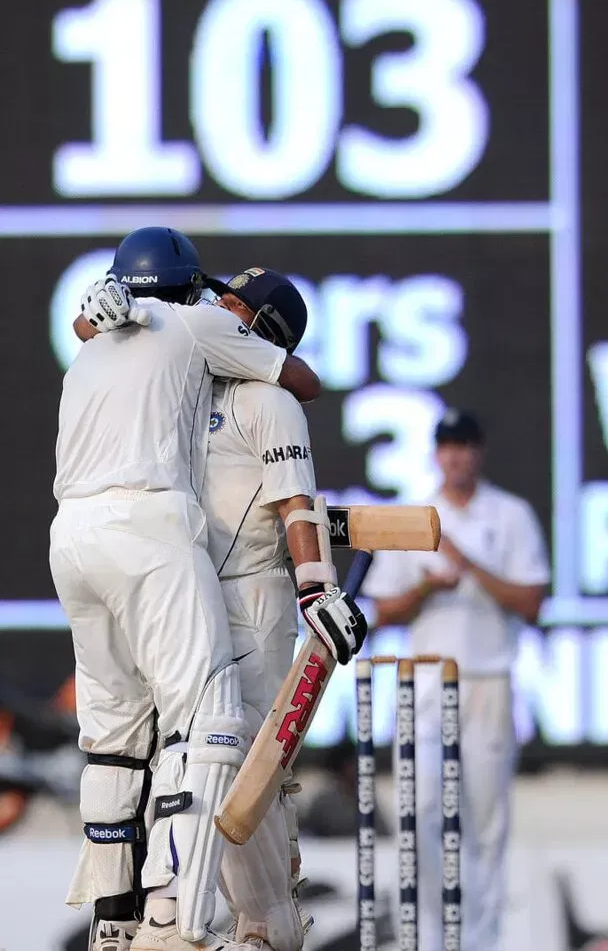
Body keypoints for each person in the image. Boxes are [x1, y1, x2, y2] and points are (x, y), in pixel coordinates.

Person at [50, 226, 321, 951]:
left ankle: (115, 923)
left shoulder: (97, 343)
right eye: (213, 292)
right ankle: (175, 919)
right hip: (152, 537)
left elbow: (89, 322)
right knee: (208, 721)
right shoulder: (195, 327)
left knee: (114, 738)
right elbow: (303, 377)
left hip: (72, 541)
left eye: (235, 301)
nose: (220, 304)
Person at [201, 268, 368, 950]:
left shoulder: (272, 403)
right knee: (192, 763)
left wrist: (315, 588)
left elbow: (296, 502)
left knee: (248, 766)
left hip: (255, 598)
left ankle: (269, 928)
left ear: (258, 324)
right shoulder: (185, 386)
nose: (214, 306)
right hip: (192, 595)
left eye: (230, 302)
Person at [362, 408, 550, 951]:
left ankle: (481, 940)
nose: (456, 455)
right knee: (419, 813)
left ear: (479, 451)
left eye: (465, 444)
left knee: (486, 823)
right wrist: (428, 589)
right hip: (424, 686)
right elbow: (384, 610)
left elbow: (533, 601)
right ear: (436, 453)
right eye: (447, 446)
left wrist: (469, 567)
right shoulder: (417, 517)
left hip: (488, 681)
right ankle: (425, 939)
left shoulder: (509, 515)